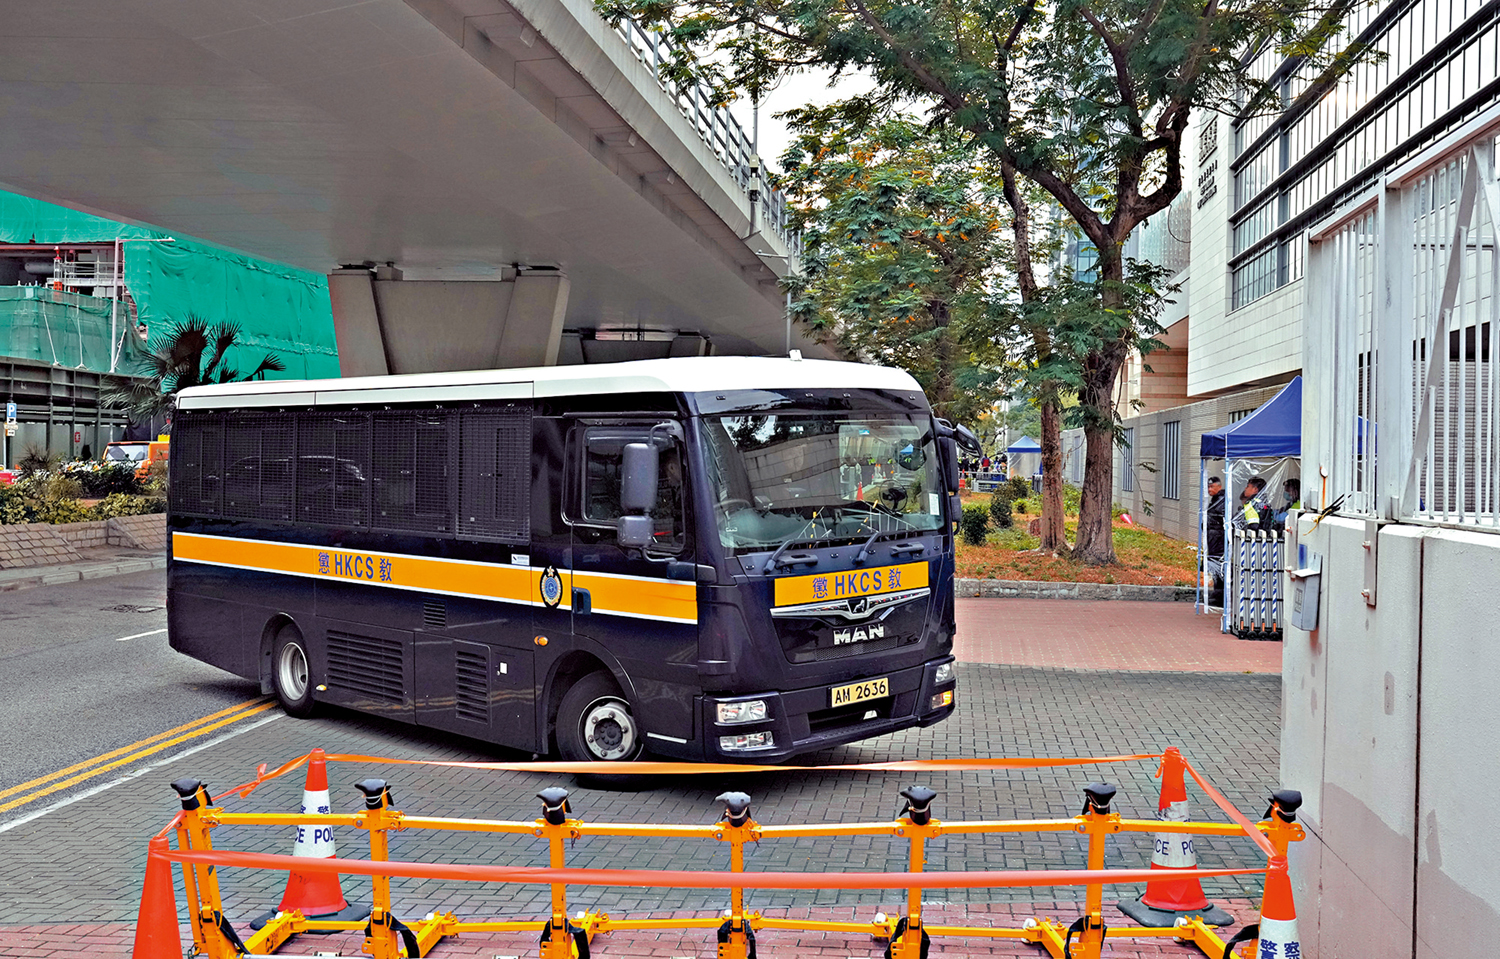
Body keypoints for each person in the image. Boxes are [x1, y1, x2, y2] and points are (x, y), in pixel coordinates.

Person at [1204, 476, 1226, 605]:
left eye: (1212, 486)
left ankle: (1220, 597)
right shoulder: (1215, 500)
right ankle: (1217, 595)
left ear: (1219, 487)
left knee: (1219, 569)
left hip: (1218, 541)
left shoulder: (1222, 501)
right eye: (1208, 486)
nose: (1209, 489)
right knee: (1214, 570)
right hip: (1214, 540)